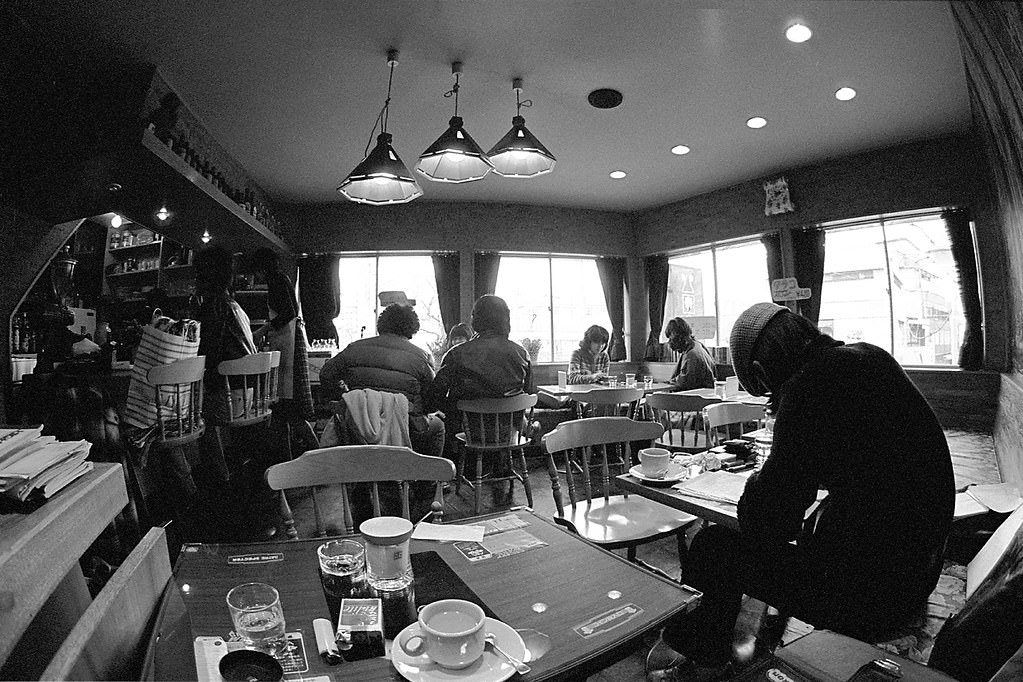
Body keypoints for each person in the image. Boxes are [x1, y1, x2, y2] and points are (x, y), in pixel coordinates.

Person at [647, 303, 955, 682]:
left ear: (760, 372)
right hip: (920, 570)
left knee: (714, 547)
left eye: (768, 393)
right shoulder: (870, 357)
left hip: (874, 595)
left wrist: (765, 479)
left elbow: (767, 522)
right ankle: (745, 644)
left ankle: (706, 664)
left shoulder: (809, 385)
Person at [319, 303, 445, 458]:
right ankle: (425, 480)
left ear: (382, 324)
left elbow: (325, 374)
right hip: (406, 427)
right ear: (412, 328)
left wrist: (345, 397)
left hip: (357, 427)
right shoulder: (421, 357)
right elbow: (432, 401)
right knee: (438, 427)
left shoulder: (354, 348)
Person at [249, 247, 316, 453]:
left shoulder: (277, 281)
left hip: (289, 350)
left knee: (290, 410)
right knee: (284, 412)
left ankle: (317, 452)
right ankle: (286, 457)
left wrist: (262, 330)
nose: (256, 275)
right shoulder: (282, 279)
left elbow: (288, 312)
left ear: (262, 269)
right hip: (289, 346)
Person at [429, 295, 534, 415]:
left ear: (475, 319)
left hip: (464, 431)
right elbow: (528, 394)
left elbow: (434, 399)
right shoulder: (522, 355)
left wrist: (460, 409)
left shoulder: (456, 354)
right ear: (507, 320)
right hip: (509, 431)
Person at [194, 245, 257, 425]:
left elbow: (206, 354)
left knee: (178, 414)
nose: (195, 281)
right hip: (246, 393)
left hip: (228, 398)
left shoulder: (213, 307)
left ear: (207, 278)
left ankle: (211, 453)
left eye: (198, 275)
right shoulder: (234, 305)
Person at [664, 317, 715, 391]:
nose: (670, 343)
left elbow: (685, 382)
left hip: (695, 397)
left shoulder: (691, 355)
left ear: (679, 337)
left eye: (671, 339)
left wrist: (671, 382)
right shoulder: (699, 346)